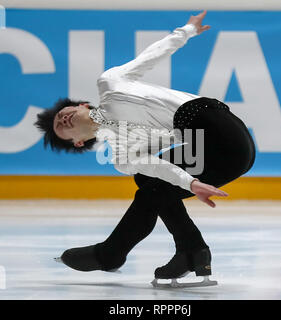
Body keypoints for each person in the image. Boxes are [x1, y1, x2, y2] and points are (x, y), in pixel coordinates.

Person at [35, 11, 256, 286]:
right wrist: (191, 183)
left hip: (225, 133)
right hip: (217, 151)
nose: (63, 118)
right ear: (78, 142)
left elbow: (152, 56)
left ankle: (116, 253)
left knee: (151, 185)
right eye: (61, 127)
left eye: (63, 112)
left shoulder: (111, 82)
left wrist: (186, 31)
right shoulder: (123, 154)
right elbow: (158, 167)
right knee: (150, 182)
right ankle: (186, 252)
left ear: (81, 105)